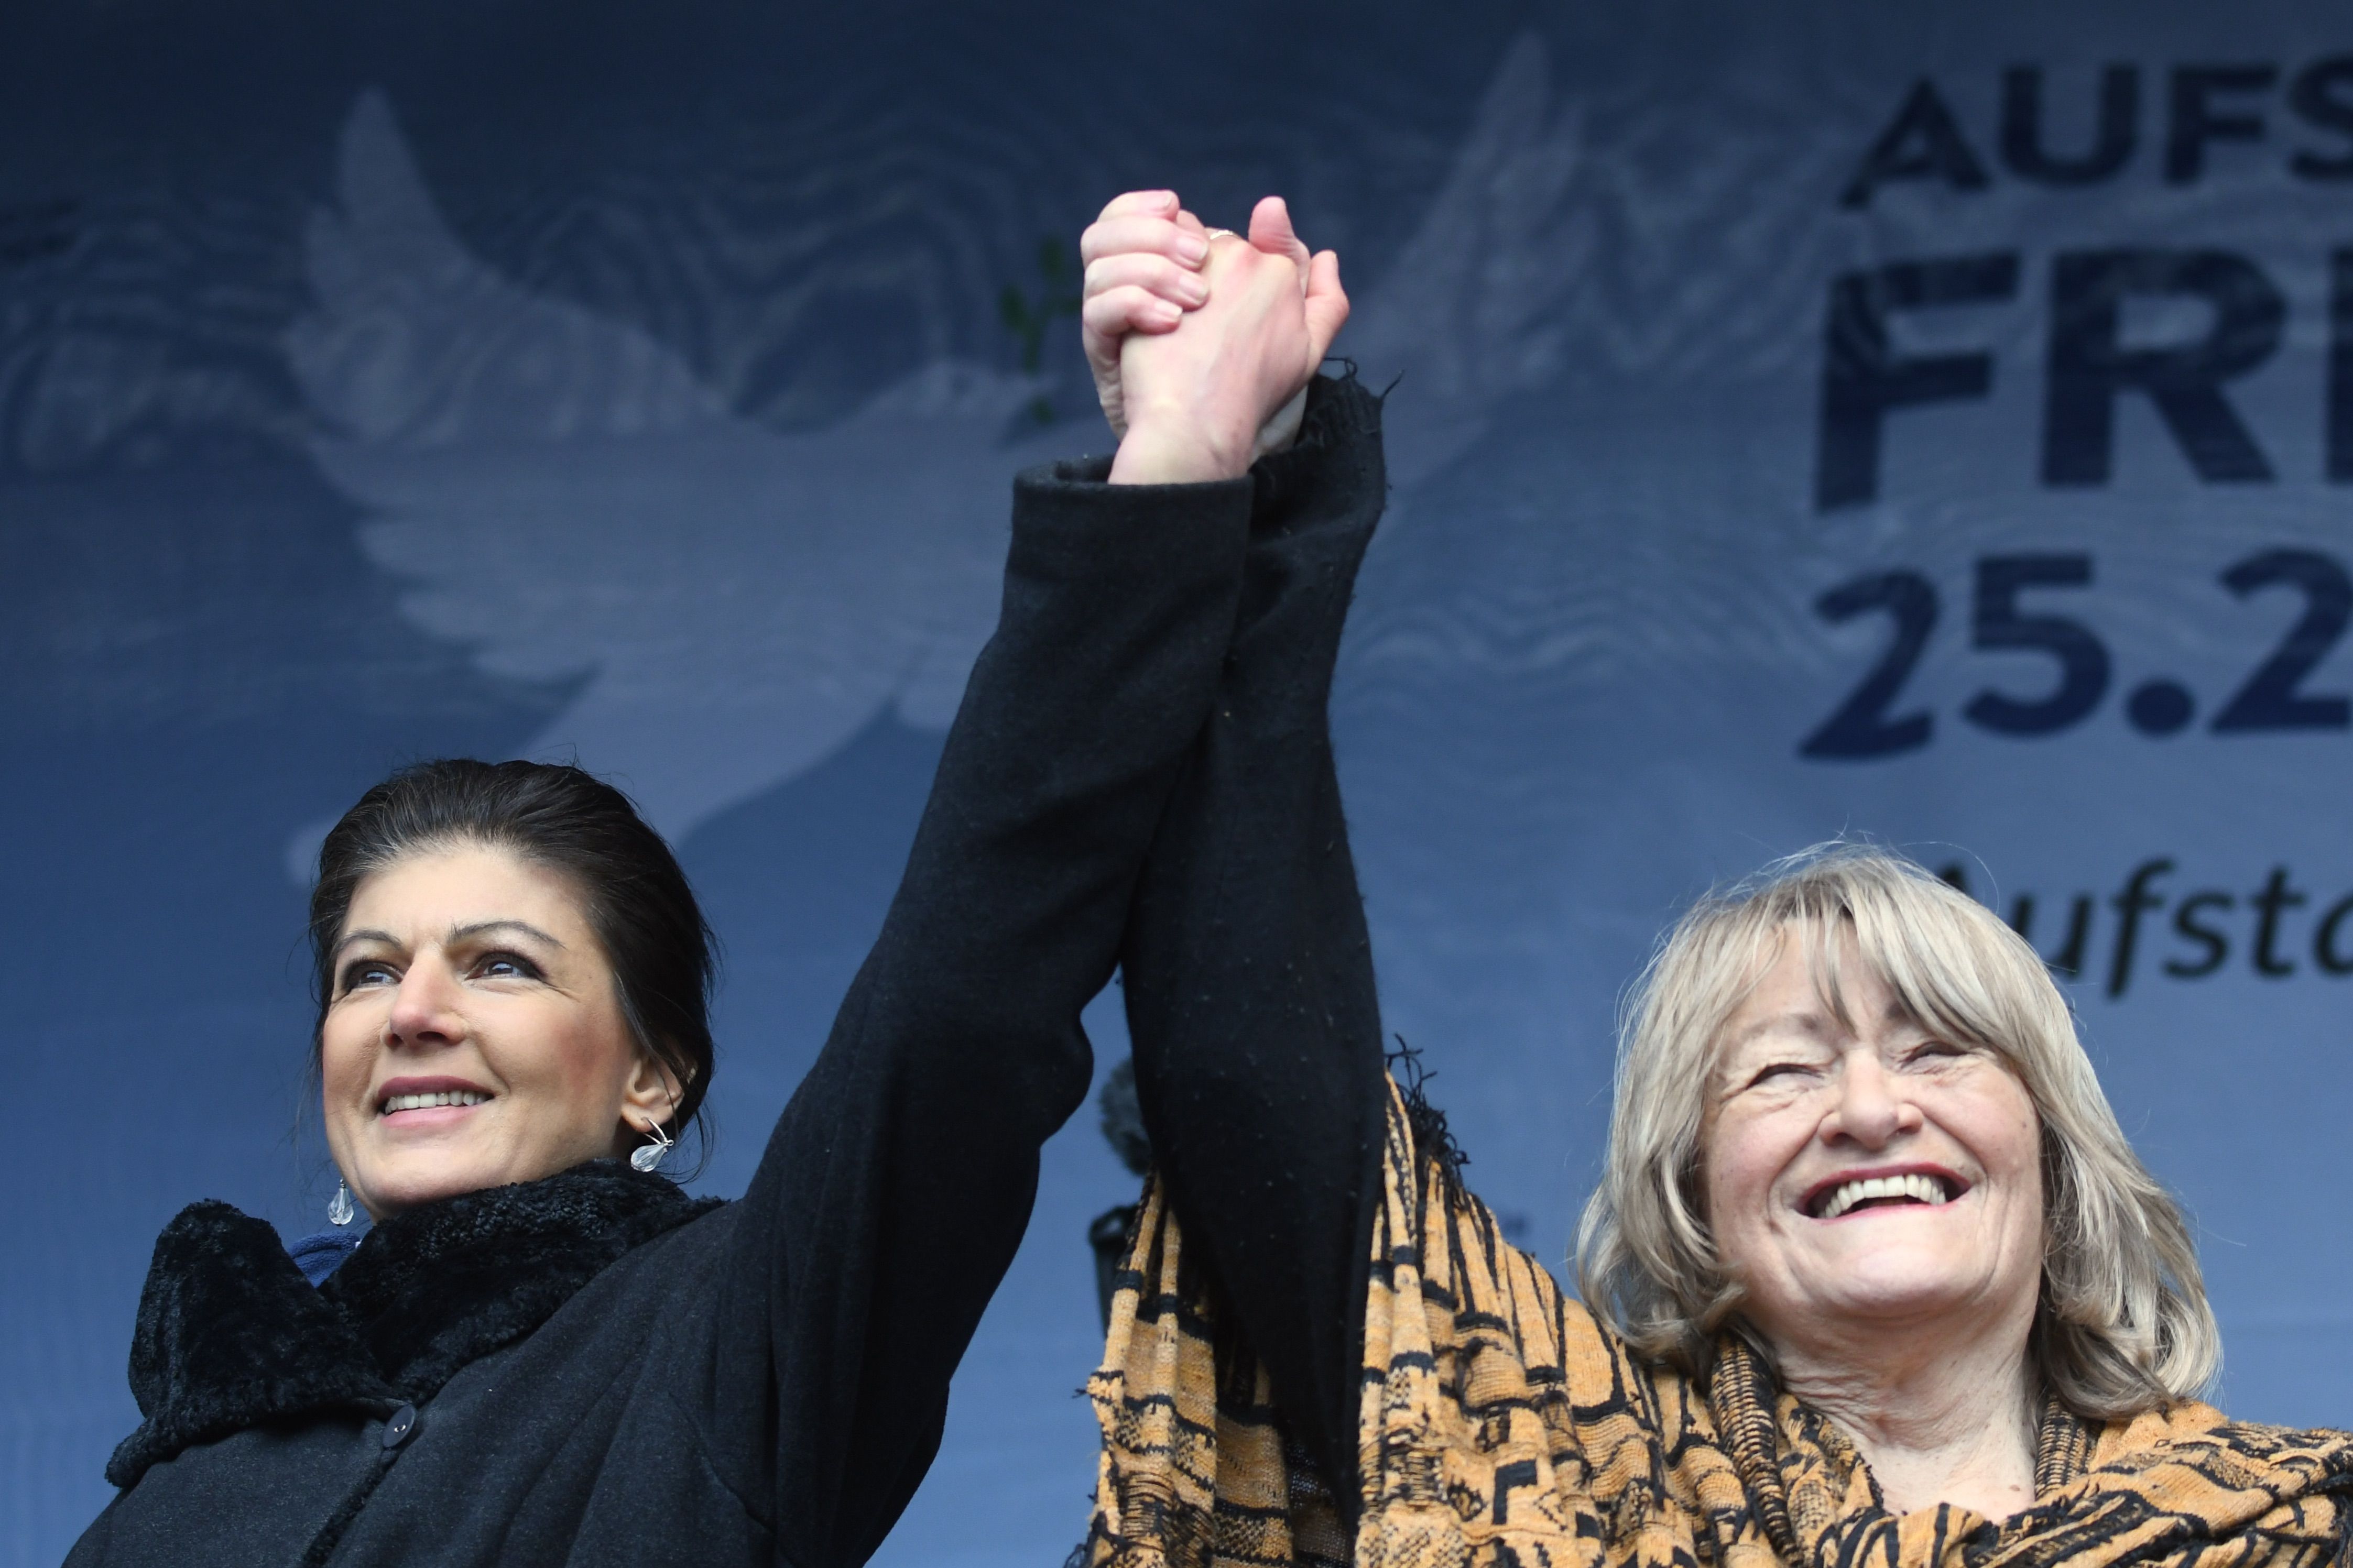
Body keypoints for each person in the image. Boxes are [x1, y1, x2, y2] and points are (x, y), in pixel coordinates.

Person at [1071, 190, 2353, 1568]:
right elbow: (1258, 1080)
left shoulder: (2297, 1531)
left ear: (2053, 1152)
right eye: (1782, 1073)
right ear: (1688, 1188)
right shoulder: (1544, 1471)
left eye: (1937, 1050)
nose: (1868, 1108)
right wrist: (1210, 482)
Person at [67, 192, 1349, 1568]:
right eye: (366, 970)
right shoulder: (175, 1481)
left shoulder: (728, 1338)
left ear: (655, 1076)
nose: (411, 1008)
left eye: (500, 961)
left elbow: (959, 1002)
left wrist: (1183, 463)